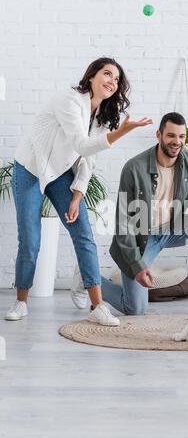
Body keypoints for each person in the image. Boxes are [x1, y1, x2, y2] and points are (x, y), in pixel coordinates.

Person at [6, 57, 153, 325]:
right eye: (107, 74)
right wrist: (123, 132)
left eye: (117, 79)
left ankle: (98, 307)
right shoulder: (70, 101)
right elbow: (83, 145)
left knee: (84, 233)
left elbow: (87, 160)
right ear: (92, 76)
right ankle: (21, 301)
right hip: (31, 168)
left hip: (60, 172)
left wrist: (77, 195)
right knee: (30, 240)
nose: (112, 82)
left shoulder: (102, 115)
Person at [72, 112, 188, 316]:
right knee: (135, 308)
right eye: (171, 136)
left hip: (173, 229)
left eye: (181, 136)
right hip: (142, 238)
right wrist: (137, 267)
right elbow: (123, 224)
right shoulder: (134, 168)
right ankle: (87, 277)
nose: (177, 142)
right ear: (159, 135)